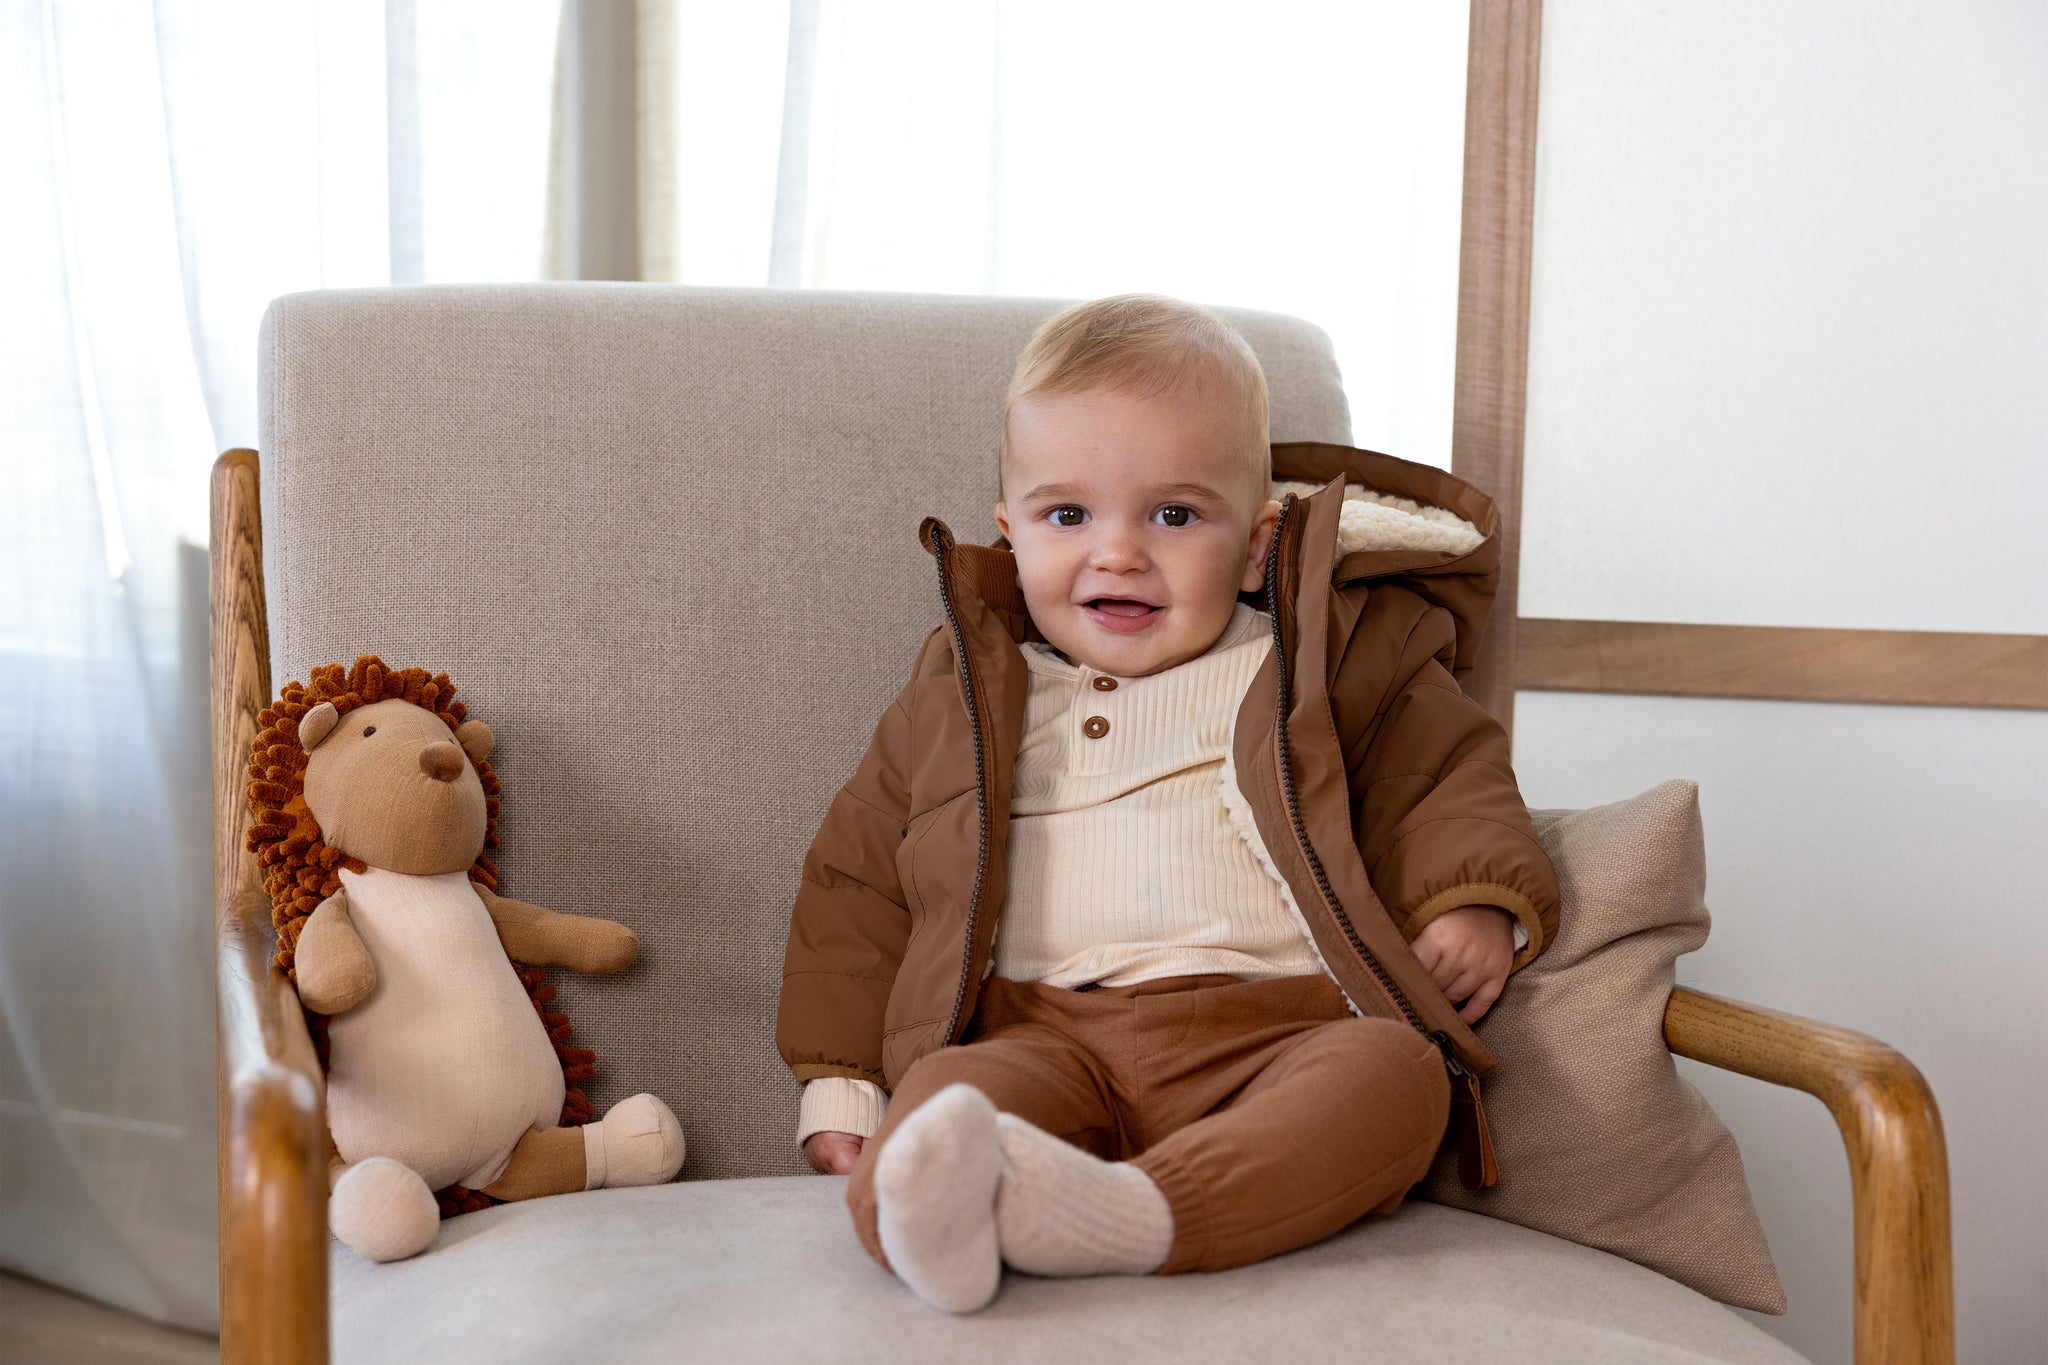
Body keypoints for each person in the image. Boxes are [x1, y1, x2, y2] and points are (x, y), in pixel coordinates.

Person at [774, 294, 1561, 1313]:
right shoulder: (966, 687)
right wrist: (842, 1078)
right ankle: (951, 1213)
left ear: (1255, 544)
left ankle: (1142, 1214)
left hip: (1275, 1032)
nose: (1117, 553)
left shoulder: (1319, 659)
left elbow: (1441, 771)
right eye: (1067, 516)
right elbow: (859, 880)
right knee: (939, 1112)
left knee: (1395, 1076)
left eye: (1173, 515)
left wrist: (1471, 896)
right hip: (1036, 1037)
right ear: (1010, 534)